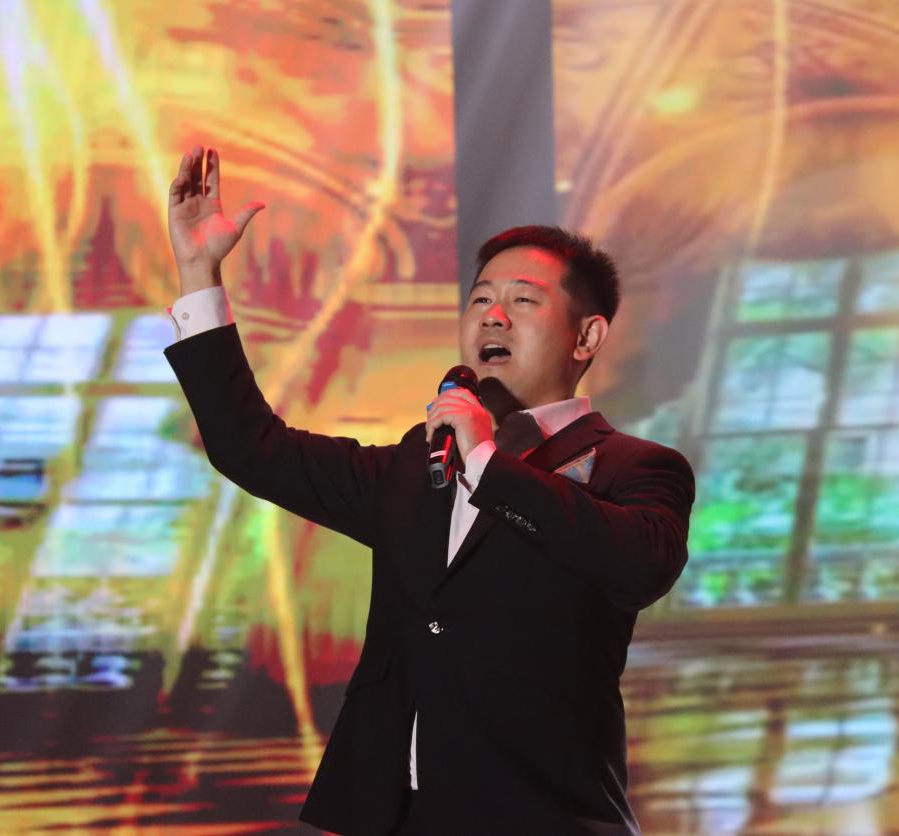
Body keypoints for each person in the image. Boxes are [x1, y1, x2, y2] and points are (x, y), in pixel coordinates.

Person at [163, 145, 695, 835]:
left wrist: (487, 460)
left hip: (541, 816)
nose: (492, 316)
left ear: (586, 336)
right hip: (393, 817)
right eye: (480, 299)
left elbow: (639, 565)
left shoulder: (636, 467)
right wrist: (199, 275)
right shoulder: (417, 467)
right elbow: (253, 450)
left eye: (522, 300)